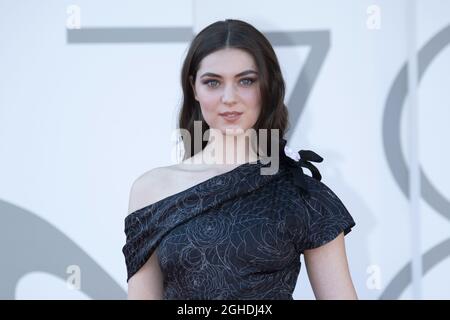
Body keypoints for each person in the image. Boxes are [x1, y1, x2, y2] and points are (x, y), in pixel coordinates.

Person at [122, 19, 357, 300]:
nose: (229, 98)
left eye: (246, 81)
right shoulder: (151, 189)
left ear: (266, 86)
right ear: (194, 88)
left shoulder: (301, 193)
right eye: (213, 82)